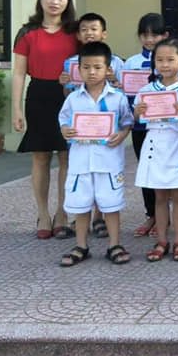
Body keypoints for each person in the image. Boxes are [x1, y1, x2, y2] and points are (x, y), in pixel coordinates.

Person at [12, 0, 79, 240]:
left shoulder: (75, 32)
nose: (55, 2)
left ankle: (62, 213)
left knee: (66, 156)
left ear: (67, 2)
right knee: (40, 156)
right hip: (38, 95)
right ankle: (43, 214)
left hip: (69, 97)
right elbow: (19, 73)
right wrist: (16, 109)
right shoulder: (27, 32)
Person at [57, 41, 134, 266]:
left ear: (108, 69)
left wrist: (122, 134)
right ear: (79, 69)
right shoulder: (73, 98)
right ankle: (81, 245)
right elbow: (63, 119)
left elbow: (127, 121)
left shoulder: (117, 97)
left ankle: (114, 244)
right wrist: (65, 130)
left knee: (111, 204)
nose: (92, 72)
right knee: (81, 205)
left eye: (97, 67)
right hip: (81, 162)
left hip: (108, 162)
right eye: (86, 67)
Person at [58, 12, 125, 239]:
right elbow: (65, 113)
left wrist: (123, 133)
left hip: (107, 149)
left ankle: (105, 229)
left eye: (93, 29)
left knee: (108, 192)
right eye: (84, 29)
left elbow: (125, 113)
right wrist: (65, 129)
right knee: (82, 190)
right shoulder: (72, 72)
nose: (89, 33)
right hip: (82, 146)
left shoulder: (117, 67)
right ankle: (81, 238)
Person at [132, 38, 178, 263]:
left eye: (170, 59)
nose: (165, 64)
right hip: (155, 144)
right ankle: (161, 240)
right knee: (159, 196)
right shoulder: (147, 90)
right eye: (160, 60)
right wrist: (138, 112)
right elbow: (135, 118)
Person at [122, 12, 170, 238]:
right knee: (146, 171)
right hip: (141, 127)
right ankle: (151, 214)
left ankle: (165, 216)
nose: (149, 40)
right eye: (144, 35)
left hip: (166, 127)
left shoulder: (169, 61)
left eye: (155, 35)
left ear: (165, 35)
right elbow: (125, 95)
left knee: (166, 171)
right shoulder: (131, 63)